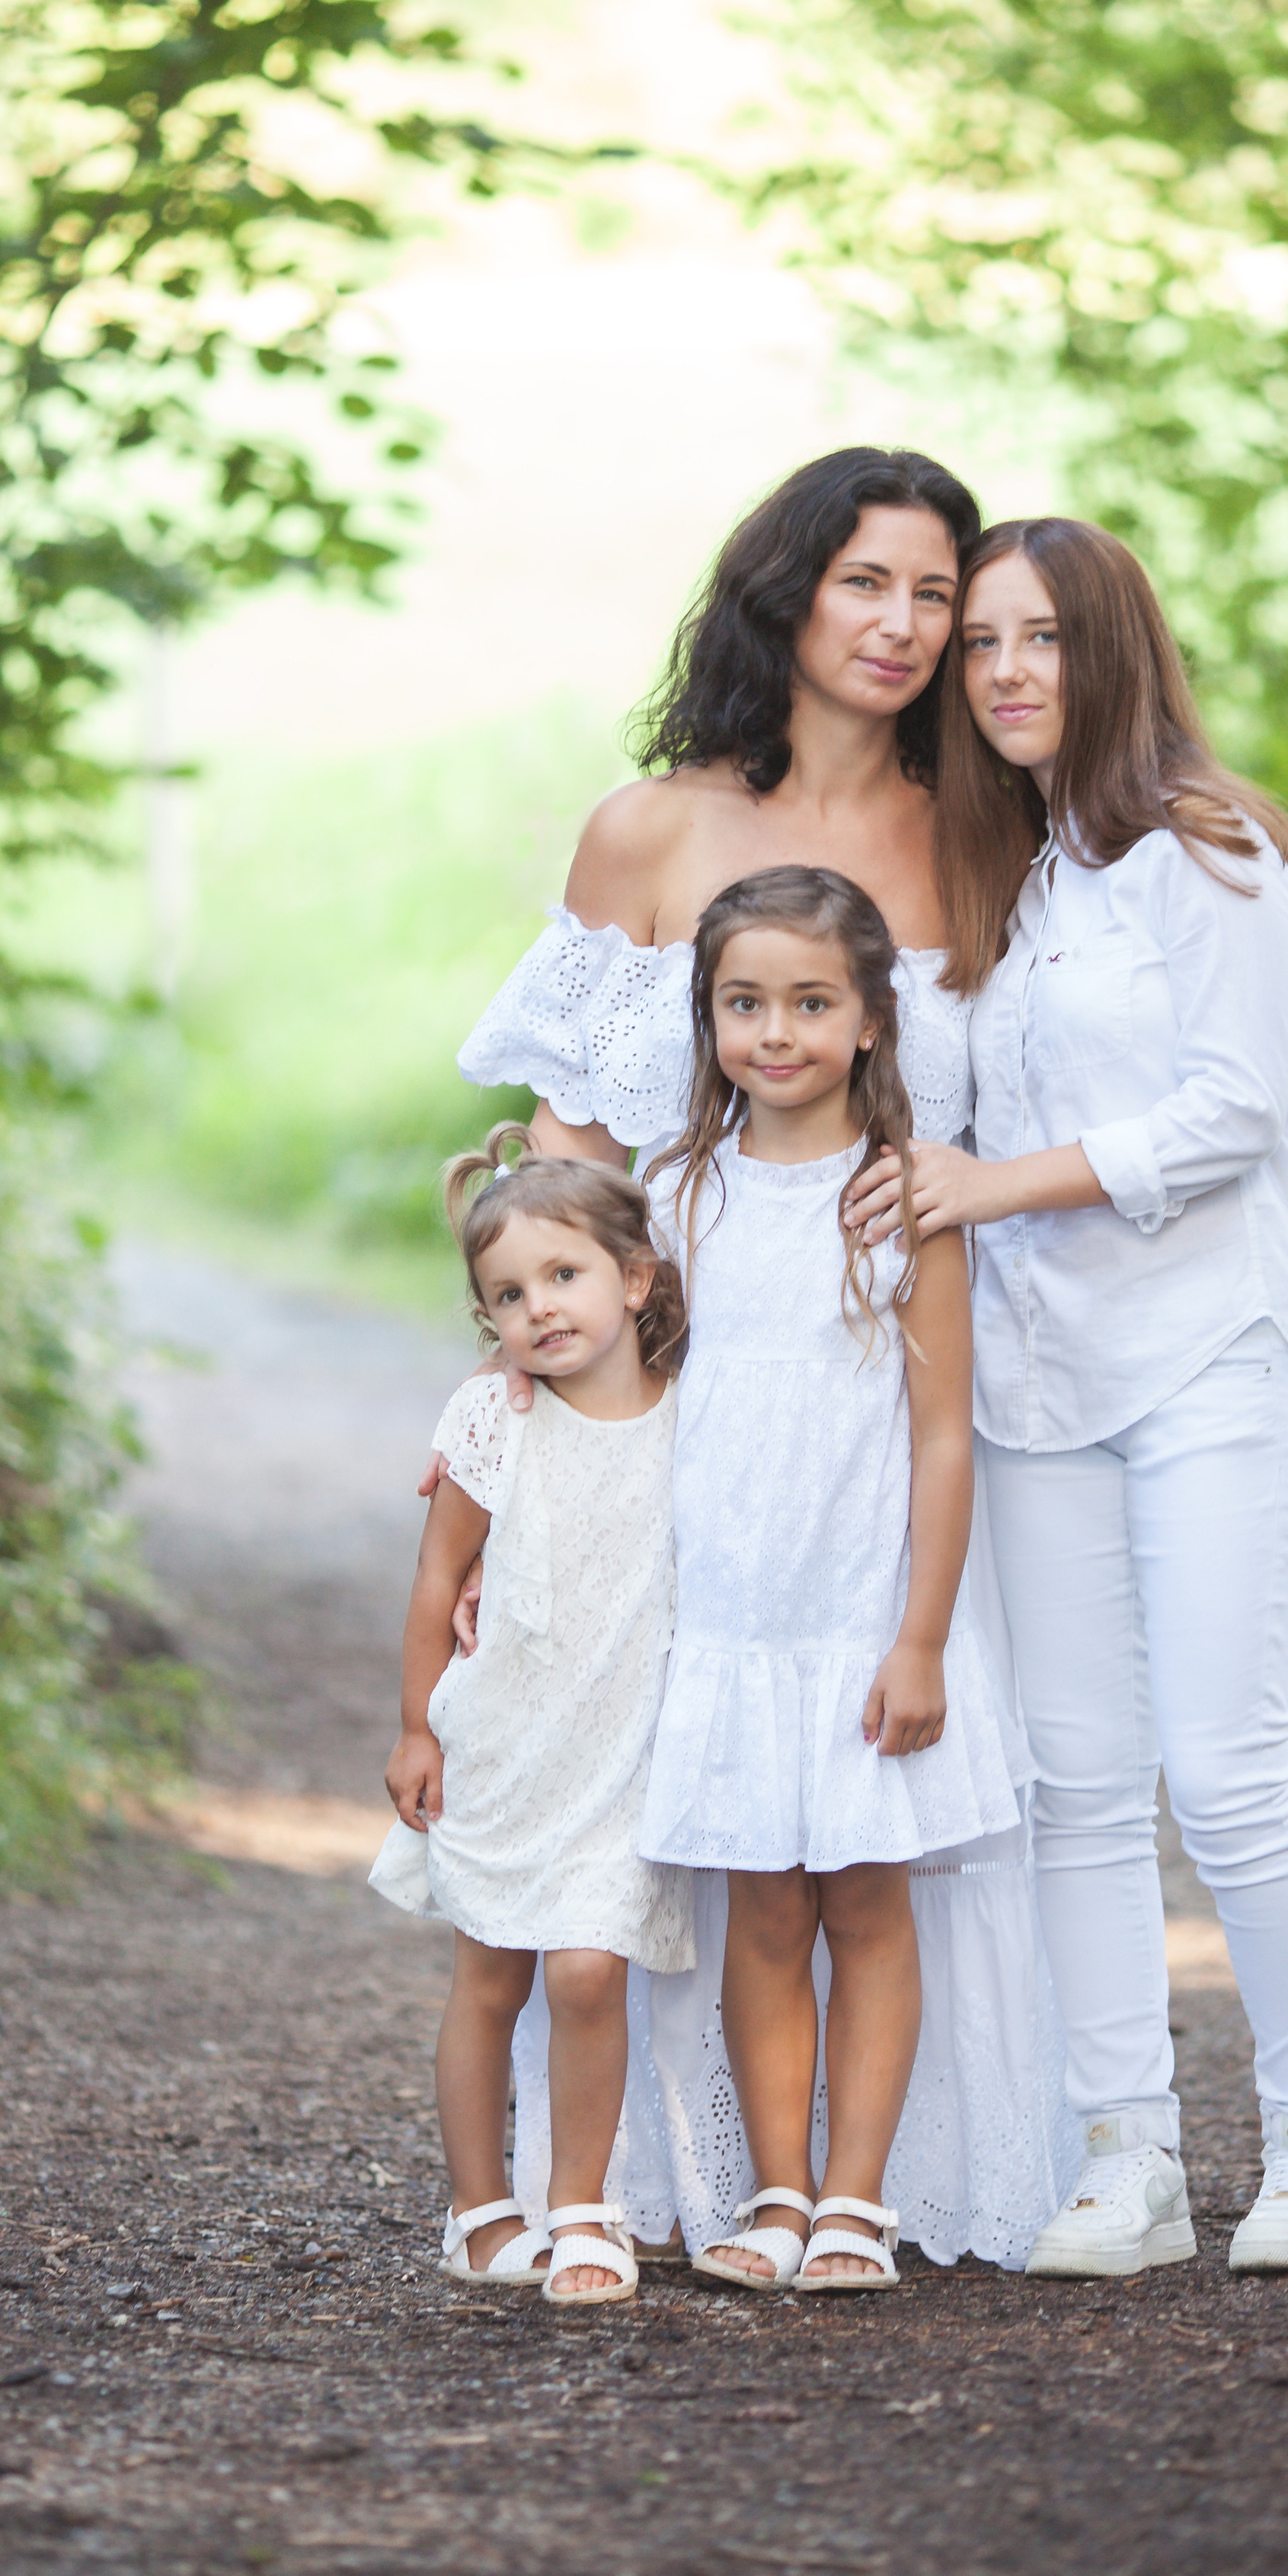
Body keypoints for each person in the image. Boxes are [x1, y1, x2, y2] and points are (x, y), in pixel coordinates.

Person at [453, 447, 1079, 2267]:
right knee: (694, 1802)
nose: (900, 626)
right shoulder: (647, 831)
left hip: (921, 1390)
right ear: (787, 591)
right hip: (676, 1409)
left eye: (933, 597)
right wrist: (517, 1403)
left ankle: (892, 2181)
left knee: (887, 1824)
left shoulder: (994, 835)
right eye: (863, 584)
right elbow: (558, 1163)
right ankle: (673, 2179)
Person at [848, 516, 1288, 2277]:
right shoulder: (1004, 878)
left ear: (1111, 653)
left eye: (1040, 637)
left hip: (1219, 1349)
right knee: (1074, 1784)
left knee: (1222, 1772)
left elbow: (1235, 1112)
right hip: (1039, 1370)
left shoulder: (1211, 856)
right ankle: (1123, 2162)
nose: (1002, 669)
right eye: (979, 642)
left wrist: (979, 1186)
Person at [638, 867, 1015, 2290]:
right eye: (744, 1003)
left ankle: (858, 2198)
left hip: (859, 1615)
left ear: (870, 1023)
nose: (775, 1032)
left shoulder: (905, 1205)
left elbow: (940, 1435)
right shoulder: (678, 1196)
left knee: (865, 1902)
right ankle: (778, 2194)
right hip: (729, 1618)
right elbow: (625, 1402)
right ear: (709, 1018)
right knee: (765, 1914)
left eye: (810, 1002)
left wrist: (919, 1639)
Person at [372, 1132, 692, 2307]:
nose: (540, 1309)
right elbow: (432, 1580)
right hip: (504, 1747)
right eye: (509, 1295)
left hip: (620, 1757)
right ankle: (478, 2213)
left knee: (589, 1971)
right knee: (491, 1979)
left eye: (565, 1277)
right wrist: (416, 1728)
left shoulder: (690, 1415)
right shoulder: (494, 1421)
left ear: (636, 1279)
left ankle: (585, 2209)